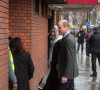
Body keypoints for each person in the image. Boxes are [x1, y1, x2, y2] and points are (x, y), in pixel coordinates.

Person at [57, 20, 79, 90]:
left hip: (67, 75)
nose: (58, 29)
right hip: (68, 74)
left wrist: (65, 76)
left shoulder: (68, 40)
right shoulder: (67, 38)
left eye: (59, 28)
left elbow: (70, 59)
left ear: (66, 27)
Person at [42, 26, 62, 90]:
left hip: (56, 70)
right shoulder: (53, 41)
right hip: (52, 67)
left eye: (54, 32)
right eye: (52, 32)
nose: (52, 33)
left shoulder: (59, 42)